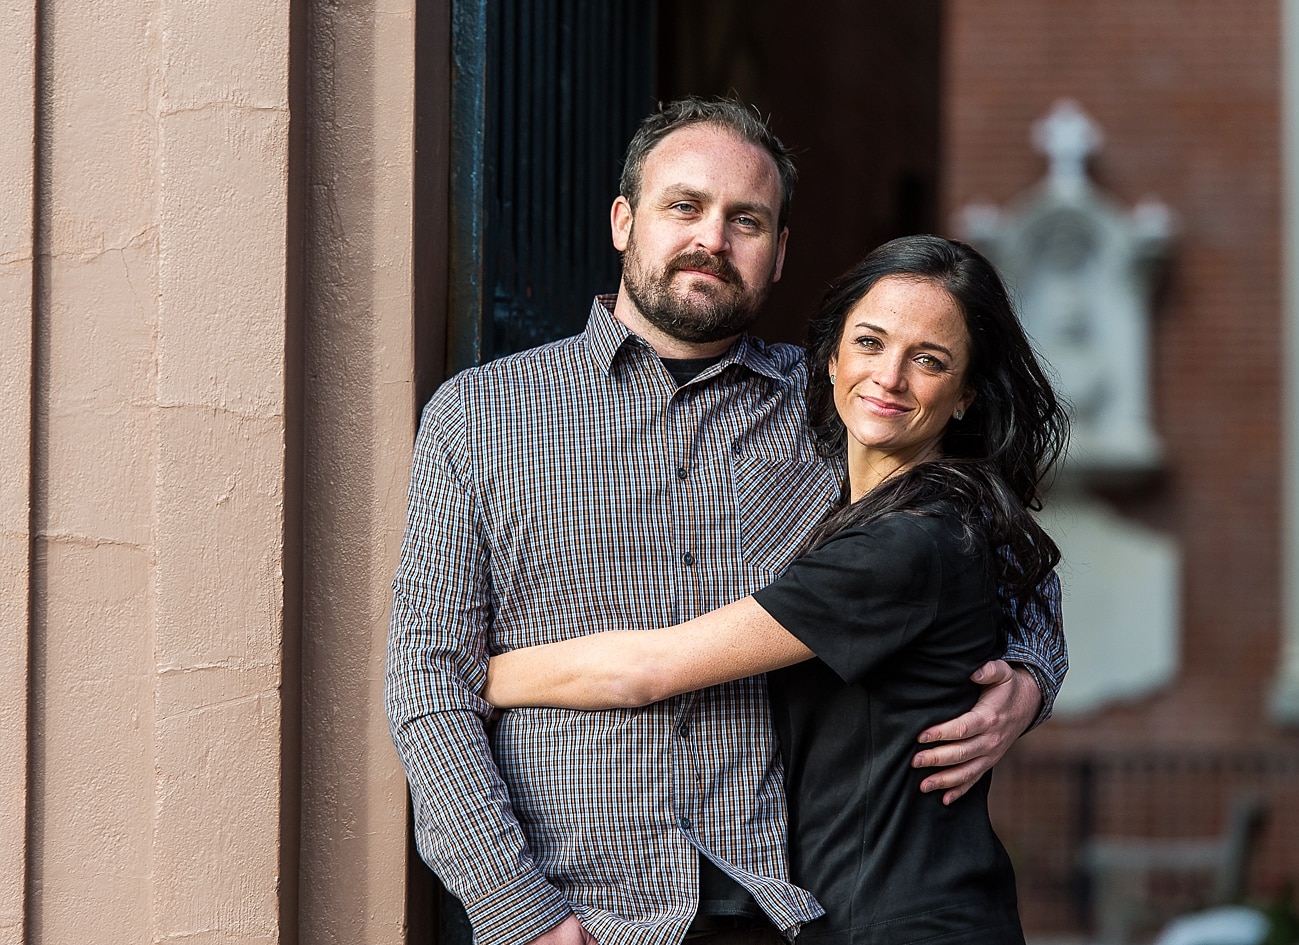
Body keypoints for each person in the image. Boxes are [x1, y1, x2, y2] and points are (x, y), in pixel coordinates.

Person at [385, 98, 1067, 945]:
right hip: (580, 912)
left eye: (746, 219)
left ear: (779, 254)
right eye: (685, 206)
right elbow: (425, 678)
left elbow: (994, 547)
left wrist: (1029, 679)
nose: (712, 237)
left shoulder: (837, 411)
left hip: (777, 908)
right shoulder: (480, 417)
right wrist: (518, 909)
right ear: (623, 220)